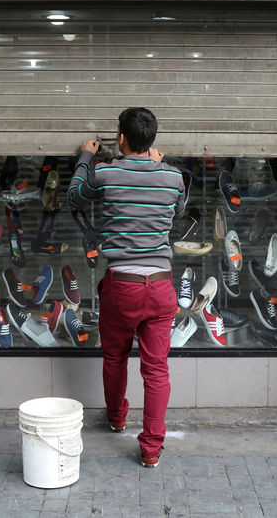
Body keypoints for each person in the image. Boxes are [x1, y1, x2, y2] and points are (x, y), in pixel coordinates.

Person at [67, 107, 186, 468]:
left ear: (120, 137)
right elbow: (177, 213)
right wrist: (160, 167)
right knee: (156, 369)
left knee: (115, 357)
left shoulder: (105, 172)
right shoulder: (174, 177)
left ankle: (117, 417)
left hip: (122, 286)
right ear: (152, 141)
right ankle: (151, 450)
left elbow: (75, 196)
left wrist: (87, 154)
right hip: (162, 285)